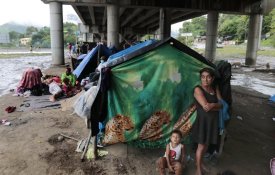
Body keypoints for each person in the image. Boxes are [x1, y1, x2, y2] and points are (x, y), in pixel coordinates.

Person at [192, 67, 222, 175]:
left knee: (206, 145)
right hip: (203, 122)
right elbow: (205, 107)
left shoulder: (214, 89)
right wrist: (216, 106)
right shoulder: (198, 89)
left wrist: (214, 104)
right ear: (200, 78)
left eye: (208, 77)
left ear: (212, 78)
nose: (205, 80)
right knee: (201, 146)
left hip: (212, 123)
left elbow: (221, 105)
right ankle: (198, 169)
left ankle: (199, 163)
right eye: (203, 77)